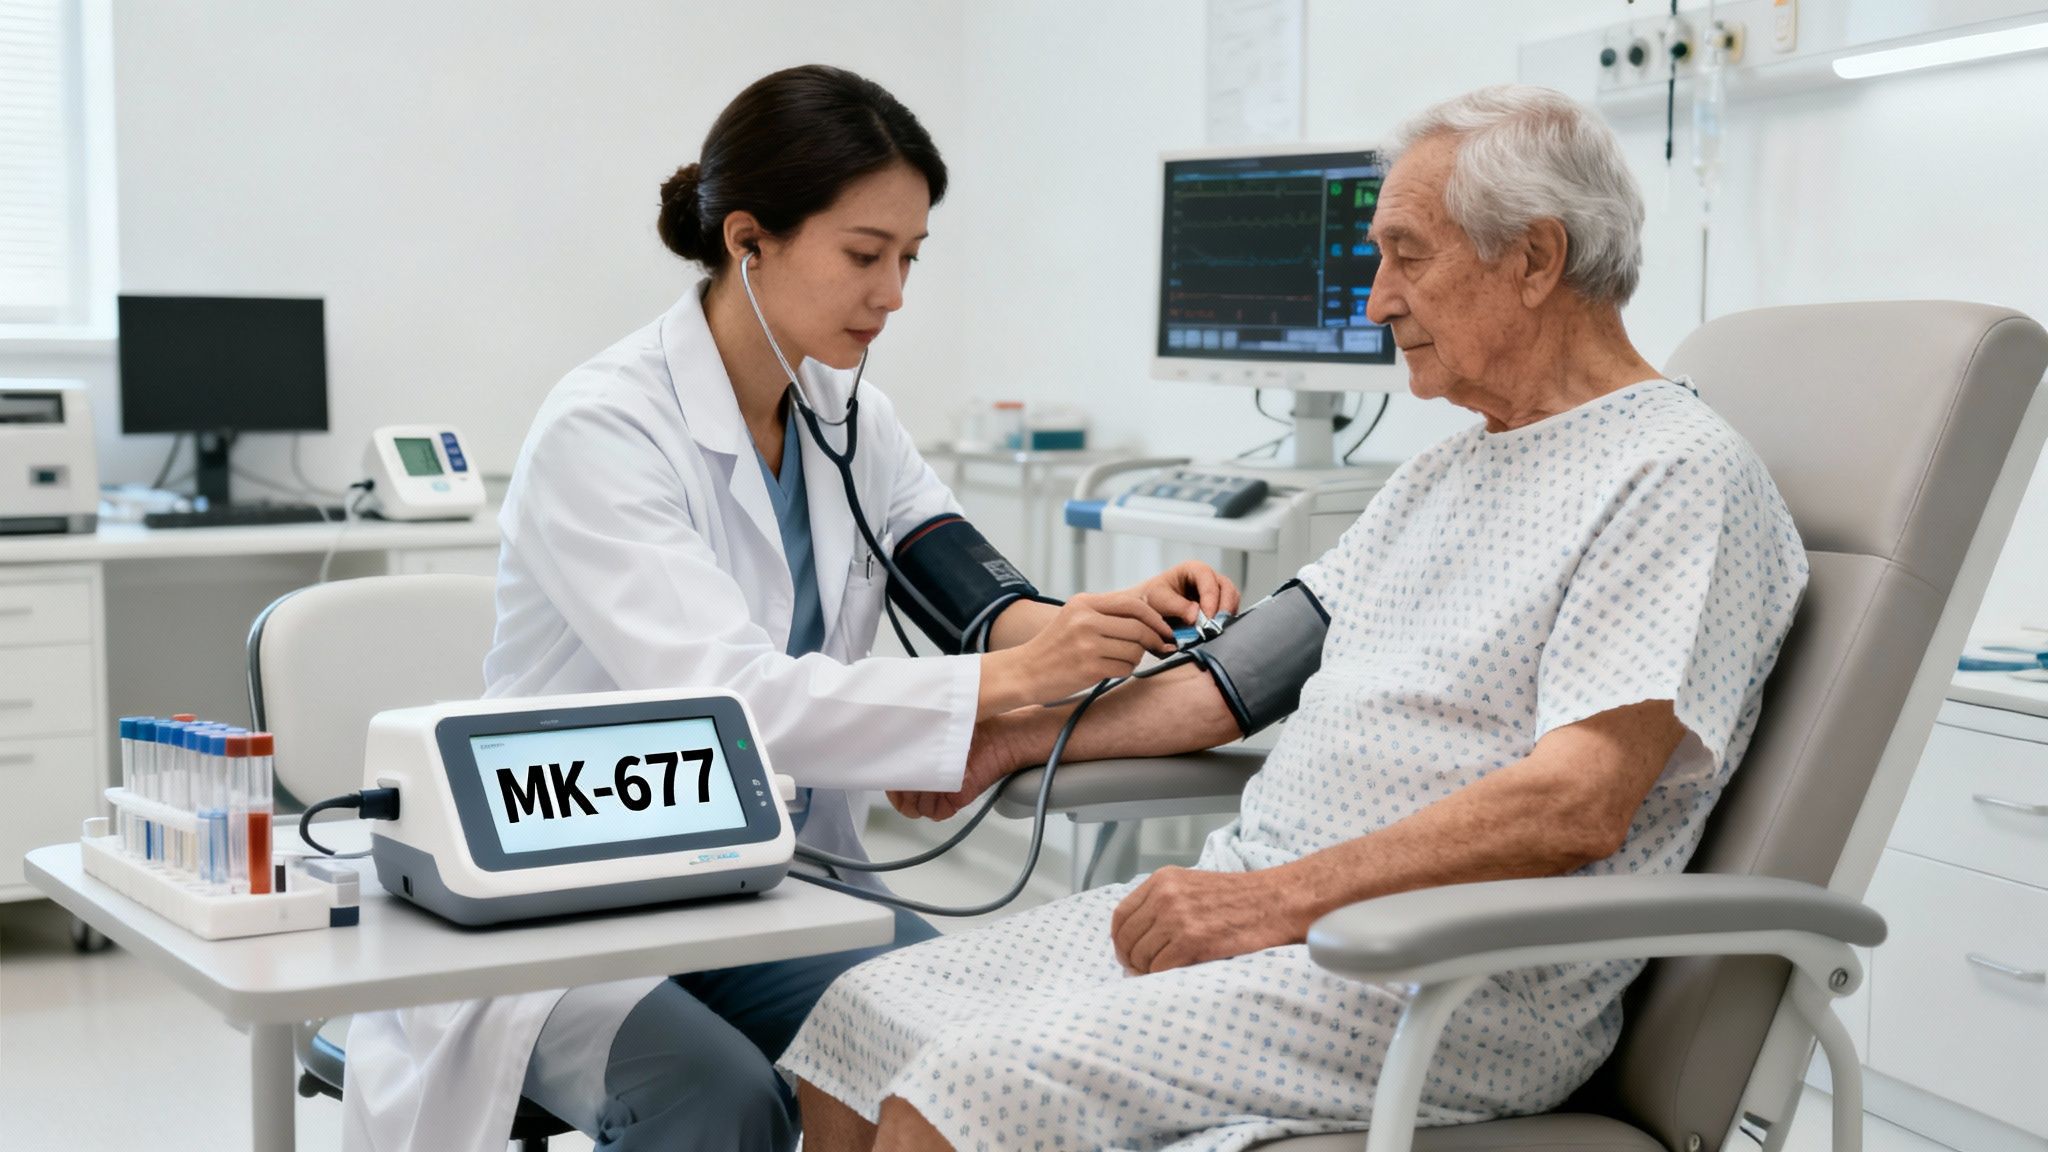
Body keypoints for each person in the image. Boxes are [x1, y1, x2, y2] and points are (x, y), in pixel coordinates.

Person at [784, 84, 1811, 1152]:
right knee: (862, 1021)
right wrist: (1015, 736)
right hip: (1269, 913)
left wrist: (1273, 903)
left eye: (1405, 255)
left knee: (963, 1094)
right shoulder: (1442, 471)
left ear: (1535, 259)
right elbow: (1230, 680)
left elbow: (1576, 803)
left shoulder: (1672, 476)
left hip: (1437, 974)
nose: (1373, 303)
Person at [340, 64, 1237, 1152]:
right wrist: (1021, 680)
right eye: (865, 255)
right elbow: (734, 703)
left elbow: (966, 590)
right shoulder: (604, 430)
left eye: (909, 258)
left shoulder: (846, 411)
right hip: (576, 890)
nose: (894, 293)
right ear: (748, 239)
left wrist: (1103, 618)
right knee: (717, 1101)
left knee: (959, 1039)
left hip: (765, 886)